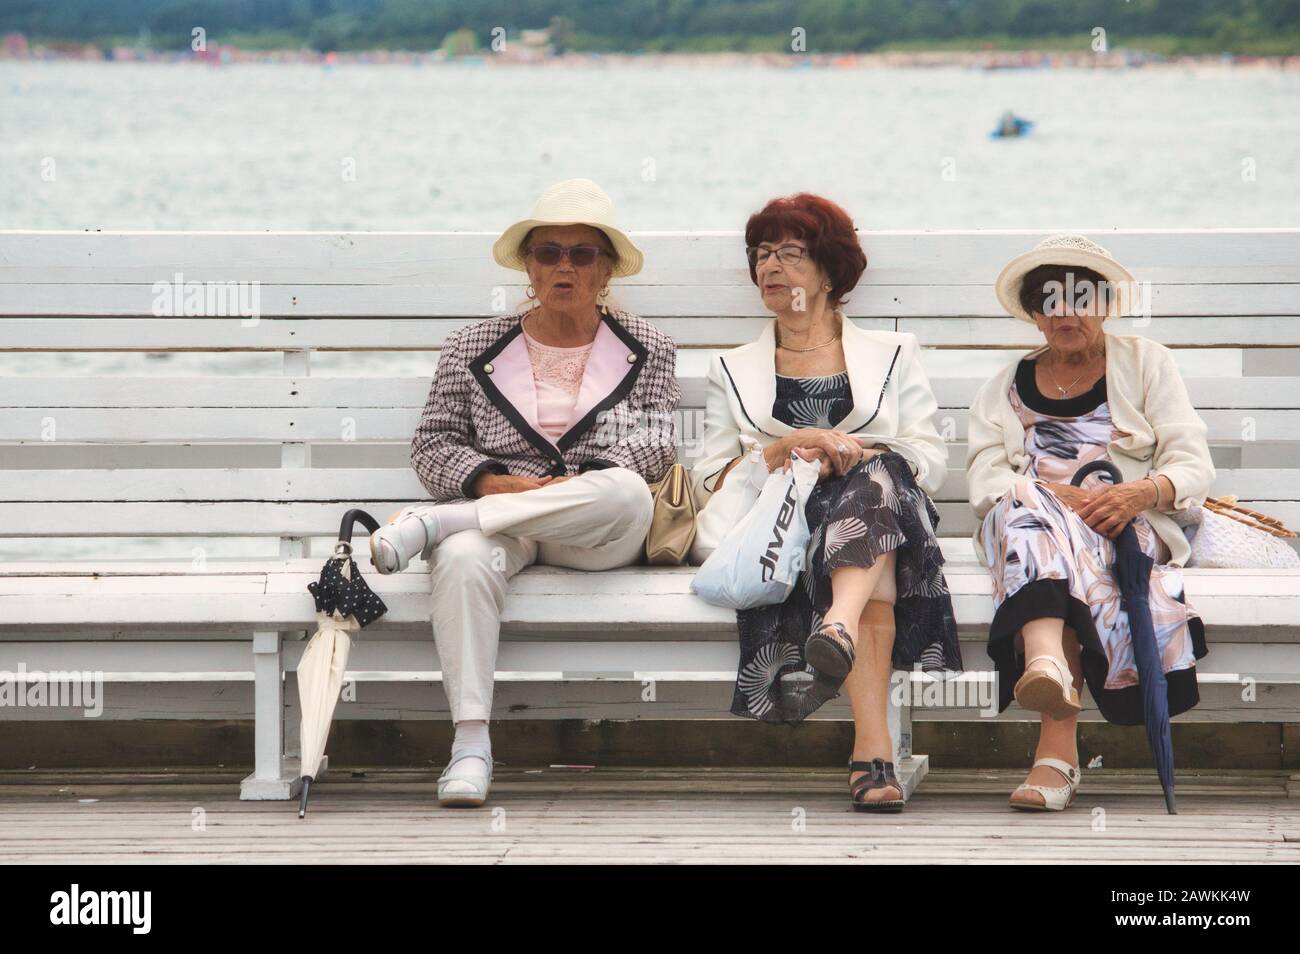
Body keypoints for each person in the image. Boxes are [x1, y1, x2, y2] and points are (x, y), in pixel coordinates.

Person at [370, 179, 680, 807]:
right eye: (548, 253)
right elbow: (432, 444)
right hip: (503, 527)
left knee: (626, 491)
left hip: (596, 527)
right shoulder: (470, 346)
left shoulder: (649, 348)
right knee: (460, 557)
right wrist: (491, 482)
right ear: (528, 267)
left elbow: (656, 443)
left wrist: (572, 483)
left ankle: (436, 523)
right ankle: (470, 746)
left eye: (582, 254)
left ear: (607, 270)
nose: (564, 266)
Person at [691, 193, 960, 811]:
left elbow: (930, 460)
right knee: (870, 553)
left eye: (789, 253)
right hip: (789, 523)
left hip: (884, 505)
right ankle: (871, 749)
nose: (770, 267)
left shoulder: (893, 354)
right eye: (761, 255)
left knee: (878, 481)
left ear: (830, 270)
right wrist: (783, 449)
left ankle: (842, 644)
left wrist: (864, 454)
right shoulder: (730, 367)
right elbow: (708, 478)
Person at [967, 233, 1215, 811]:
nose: (1065, 312)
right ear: (1034, 315)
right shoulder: (1002, 387)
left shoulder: (1146, 363)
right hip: (1029, 523)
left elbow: (1190, 463)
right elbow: (983, 479)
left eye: (1081, 297)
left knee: (1041, 538)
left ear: (1104, 305)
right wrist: (1056, 498)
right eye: (1049, 300)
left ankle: (1050, 699)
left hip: (1124, 522)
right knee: (1030, 517)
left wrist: (1139, 492)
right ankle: (1052, 709)